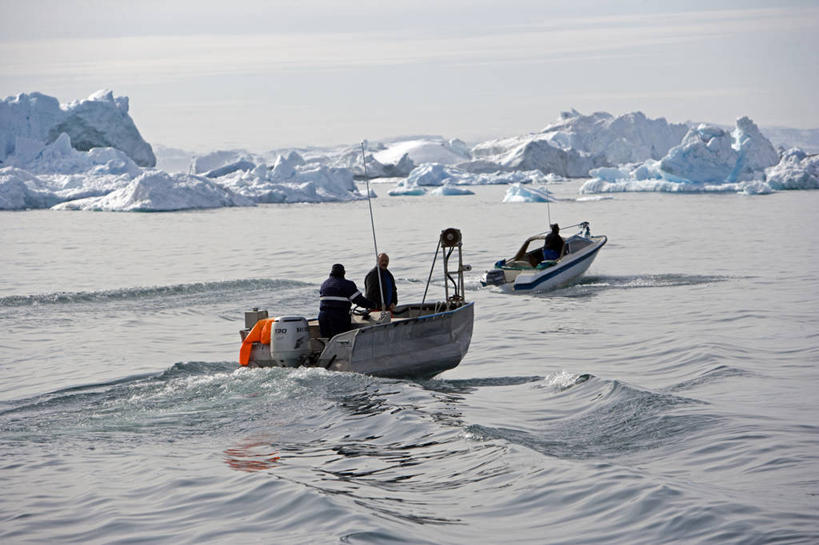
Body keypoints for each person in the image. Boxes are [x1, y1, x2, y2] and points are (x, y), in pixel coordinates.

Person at [318, 264, 376, 338]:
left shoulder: (324, 284)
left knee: (326, 342)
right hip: (338, 317)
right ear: (344, 272)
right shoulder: (347, 284)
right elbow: (360, 300)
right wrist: (373, 305)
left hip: (323, 317)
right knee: (341, 341)